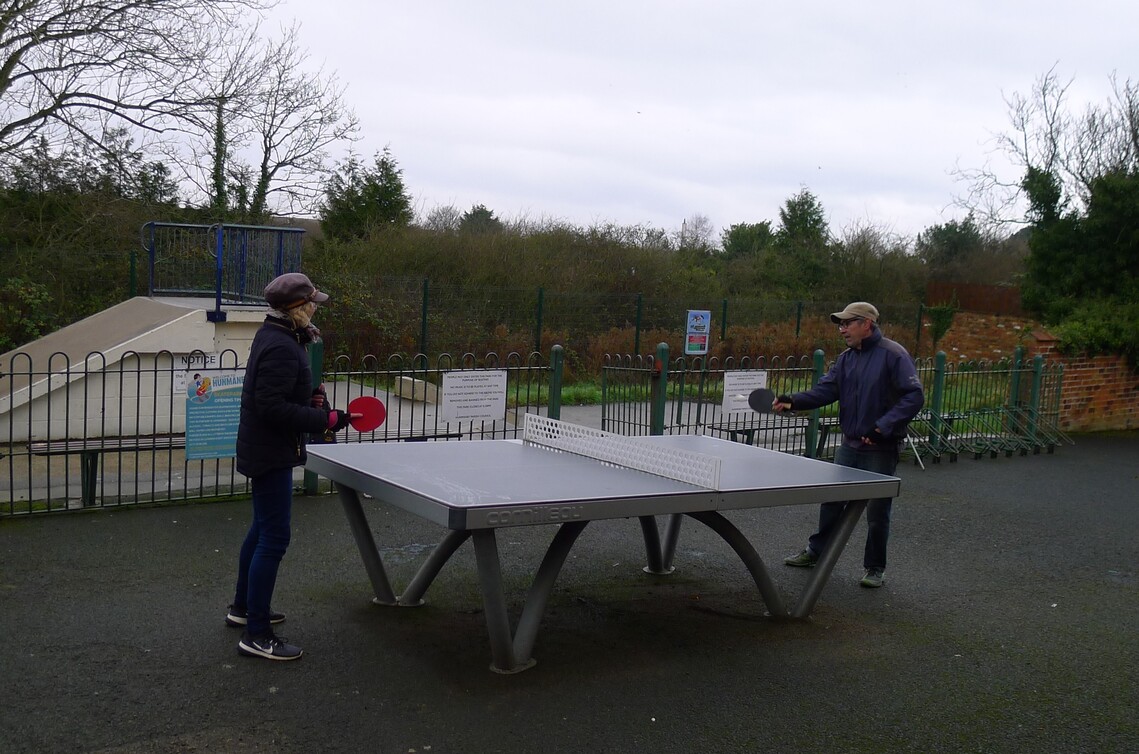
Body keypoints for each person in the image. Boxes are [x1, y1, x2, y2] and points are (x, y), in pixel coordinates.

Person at [227, 272, 358, 661]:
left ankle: (243, 609)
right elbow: (270, 408)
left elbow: (276, 394)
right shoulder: (283, 346)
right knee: (274, 538)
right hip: (271, 451)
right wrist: (326, 421)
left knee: (261, 529)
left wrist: (310, 398)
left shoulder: (276, 336)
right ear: (295, 308)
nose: (316, 307)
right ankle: (257, 635)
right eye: (312, 302)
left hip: (264, 447)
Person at [775, 302, 924, 589]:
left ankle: (875, 567)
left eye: (847, 323)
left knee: (878, 510)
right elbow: (826, 390)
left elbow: (913, 397)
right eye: (840, 324)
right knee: (832, 499)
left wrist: (882, 427)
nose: (842, 329)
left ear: (866, 324)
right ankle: (817, 552)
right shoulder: (846, 359)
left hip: (880, 447)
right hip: (850, 444)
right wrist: (793, 401)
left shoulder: (894, 355)